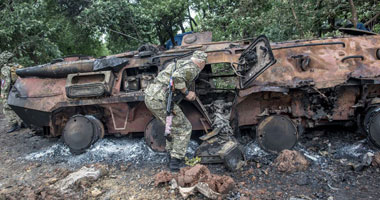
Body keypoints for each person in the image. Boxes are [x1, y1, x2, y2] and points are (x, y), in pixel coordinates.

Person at [144, 51, 207, 171]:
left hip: (151, 96)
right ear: (202, 63)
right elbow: (177, 77)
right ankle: (175, 163)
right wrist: (187, 93)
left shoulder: (181, 63)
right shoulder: (192, 67)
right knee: (184, 127)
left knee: (172, 126)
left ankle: (170, 156)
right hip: (160, 99)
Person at [0, 51, 23, 133]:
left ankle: (14, 124)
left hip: (10, 90)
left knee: (6, 108)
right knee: (20, 105)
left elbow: (6, 82)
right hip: (20, 89)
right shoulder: (17, 66)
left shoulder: (5, 68)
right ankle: (24, 122)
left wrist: (3, 94)